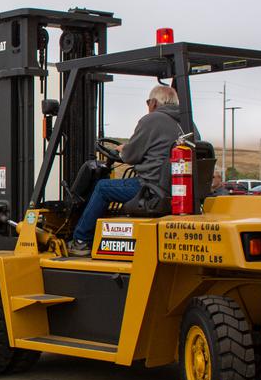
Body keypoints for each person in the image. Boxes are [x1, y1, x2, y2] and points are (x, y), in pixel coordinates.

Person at [70, 85, 194, 255]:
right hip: (176, 190)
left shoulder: (152, 120)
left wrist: (122, 149)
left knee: (102, 188)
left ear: (154, 103)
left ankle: (81, 240)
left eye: (148, 103)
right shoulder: (188, 122)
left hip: (151, 188)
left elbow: (130, 156)